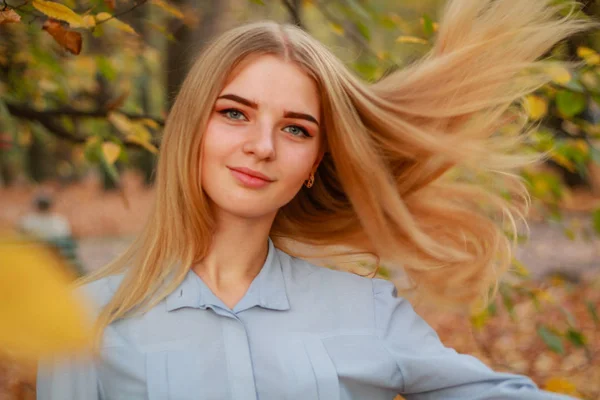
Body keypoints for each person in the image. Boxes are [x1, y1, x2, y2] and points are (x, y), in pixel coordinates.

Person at [36, 0, 594, 399]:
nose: (261, 147)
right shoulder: (85, 320)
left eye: (297, 129)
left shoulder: (368, 310)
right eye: (235, 113)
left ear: (314, 165)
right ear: (192, 130)